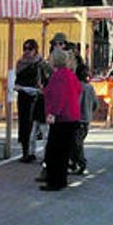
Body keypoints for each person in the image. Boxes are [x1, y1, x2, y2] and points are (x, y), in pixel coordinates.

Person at [41, 49, 81, 192]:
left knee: (54, 151)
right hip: (72, 116)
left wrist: (53, 113)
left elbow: (59, 96)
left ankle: (54, 181)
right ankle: (61, 179)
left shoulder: (58, 76)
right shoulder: (70, 74)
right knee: (63, 151)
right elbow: (78, 89)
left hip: (62, 118)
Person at [15, 40, 51, 163]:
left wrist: (41, 89)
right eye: (25, 48)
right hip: (23, 96)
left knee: (37, 127)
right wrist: (17, 86)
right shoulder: (20, 63)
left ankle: (41, 153)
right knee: (24, 125)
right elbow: (17, 79)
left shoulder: (41, 63)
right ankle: (26, 152)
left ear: (36, 50)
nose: (27, 52)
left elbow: (47, 79)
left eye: (30, 49)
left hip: (37, 98)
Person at [71, 64, 98, 175]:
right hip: (86, 119)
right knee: (78, 142)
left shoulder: (77, 86)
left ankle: (80, 163)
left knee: (76, 143)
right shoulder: (90, 87)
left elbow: (76, 102)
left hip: (78, 119)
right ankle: (75, 163)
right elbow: (95, 103)